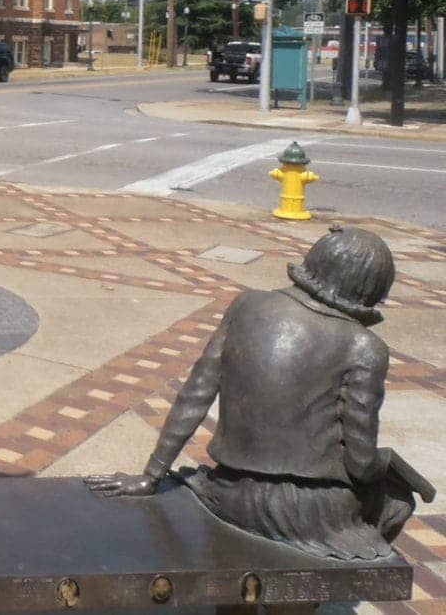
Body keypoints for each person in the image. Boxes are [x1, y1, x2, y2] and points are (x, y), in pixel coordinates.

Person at [88, 225, 432, 560]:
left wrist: (152, 475)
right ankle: (306, 598)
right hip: (308, 512)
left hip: (228, 489)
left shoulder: (246, 305)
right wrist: (387, 464)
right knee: (398, 501)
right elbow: (360, 464)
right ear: (369, 290)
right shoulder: (365, 347)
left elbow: (196, 393)